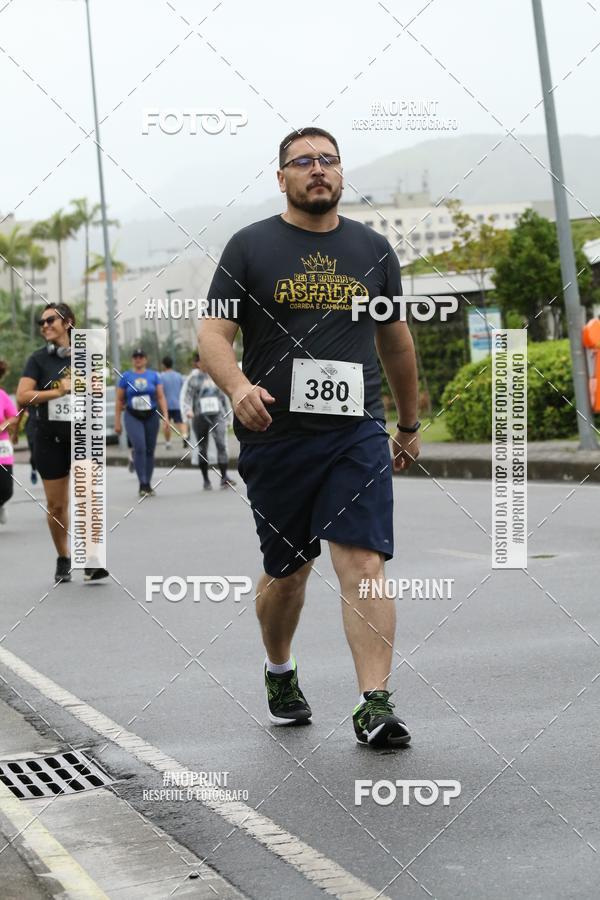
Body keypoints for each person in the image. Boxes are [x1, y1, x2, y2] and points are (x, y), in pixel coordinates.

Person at [199, 127, 421, 749]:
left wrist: (407, 424)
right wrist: (238, 387)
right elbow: (213, 335)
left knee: (363, 560)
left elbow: (396, 342)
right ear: (282, 178)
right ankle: (280, 669)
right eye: (303, 161)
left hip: (355, 432)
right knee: (289, 571)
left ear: (341, 172)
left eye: (328, 160)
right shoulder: (249, 246)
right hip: (276, 435)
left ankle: (374, 703)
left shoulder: (373, 249)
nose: (318, 169)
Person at [16, 303, 109, 583]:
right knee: (57, 505)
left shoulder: (87, 355)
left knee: (88, 498)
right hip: (48, 438)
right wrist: (57, 392)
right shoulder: (37, 359)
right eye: (41, 322)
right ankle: (63, 556)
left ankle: (91, 559)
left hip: (82, 435)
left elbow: (98, 390)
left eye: (50, 320)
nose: (44, 325)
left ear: (68, 322)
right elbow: (22, 396)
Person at [115, 348, 170, 497]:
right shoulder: (126, 376)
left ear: (145, 359)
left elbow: (160, 396)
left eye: (141, 356)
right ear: (132, 360)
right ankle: (142, 483)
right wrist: (117, 422)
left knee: (150, 450)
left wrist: (165, 416)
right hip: (133, 415)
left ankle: (148, 483)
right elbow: (119, 400)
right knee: (140, 447)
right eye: (135, 357)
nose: (138, 359)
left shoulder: (154, 375)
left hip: (151, 416)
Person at [182, 351, 235, 490]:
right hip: (200, 416)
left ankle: (224, 477)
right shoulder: (193, 378)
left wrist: (228, 415)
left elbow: (223, 396)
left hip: (217, 414)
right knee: (202, 447)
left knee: (221, 443)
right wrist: (188, 410)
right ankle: (206, 479)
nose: (205, 363)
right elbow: (187, 396)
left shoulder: (216, 376)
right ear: (197, 363)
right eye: (202, 360)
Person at [0, 361, 19, 524]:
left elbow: (13, 417)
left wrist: (3, 426)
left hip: (2, 448)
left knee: (6, 490)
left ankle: (0, 504)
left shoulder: (2, 395)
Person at [161, 356, 186, 448]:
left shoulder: (161, 377)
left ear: (164, 365)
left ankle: (168, 442)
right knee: (180, 422)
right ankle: (184, 436)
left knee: (167, 423)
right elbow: (184, 389)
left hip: (166, 405)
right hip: (178, 404)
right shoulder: (179, 376)